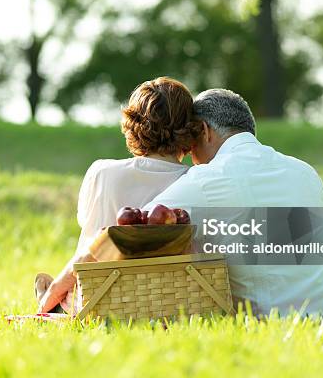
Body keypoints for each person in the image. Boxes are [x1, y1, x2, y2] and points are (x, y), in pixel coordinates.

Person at [39, 88, 323, 322]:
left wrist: (54, 292)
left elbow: (116, 237)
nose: (190, 153)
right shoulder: (305, 173)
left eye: (191, 140)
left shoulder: (205, 182)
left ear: (203, 131)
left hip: (275, 318)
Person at [36, 76, 201, 312]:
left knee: (58, 288)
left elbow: (86, 224)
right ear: (190, 130)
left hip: (95, 300)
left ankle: (53, 299)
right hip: (163, 300)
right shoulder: (195, 181)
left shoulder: (101, 171)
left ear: (133, 124)